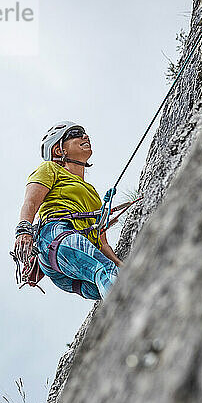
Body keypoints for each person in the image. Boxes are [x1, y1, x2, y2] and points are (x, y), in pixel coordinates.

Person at [14, 121, 123, 300]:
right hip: (55, 235)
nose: (85, 136)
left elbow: (102, 243)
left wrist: (120, 265)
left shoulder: (92, 193)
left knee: (113, 278)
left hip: (69, 257)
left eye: (84, 133)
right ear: (59, 150)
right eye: (75, 133)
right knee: (105, 271)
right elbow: (31, 202)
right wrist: (23, 230)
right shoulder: (50, 169)